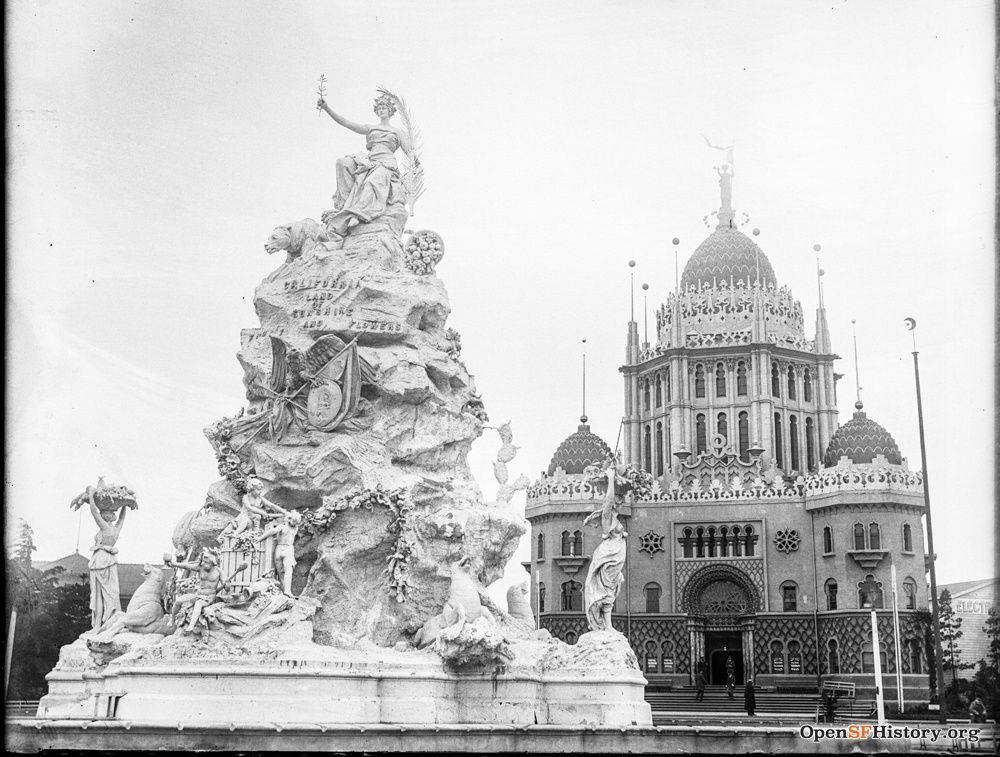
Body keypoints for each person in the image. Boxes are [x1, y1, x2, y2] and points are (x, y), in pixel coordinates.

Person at [316, 92, 413, 244]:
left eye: (384, 107)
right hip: (368, 161)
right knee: (342, 162)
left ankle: (357, 214)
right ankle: (344, 206)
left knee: (371, 182)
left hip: (386, 163)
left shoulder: (398, 132)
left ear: (390, 110)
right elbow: (346, 123)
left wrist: (416, 164)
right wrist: (327, 108)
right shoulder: (371, 128)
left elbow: (410, 153)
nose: (381, 110)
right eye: (379, 108)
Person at [582, 457, 629, 631]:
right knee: (605, 589)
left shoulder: (615, 518)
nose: (621, 501)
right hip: (608, 556)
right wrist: (610, 479)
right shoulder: (607, 517)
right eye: (619, 498)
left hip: (616, 556)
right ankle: (605, 625)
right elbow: (608, 501)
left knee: (610, 588)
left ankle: (608, 625)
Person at [84, 487, 128, 629]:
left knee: (97, 596)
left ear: (104, 516)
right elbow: (122, 518)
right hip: (110, 561)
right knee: (110, 594)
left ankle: (97, 626)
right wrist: (125, 505)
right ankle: (109, 622)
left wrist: (91, 496)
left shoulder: (105, 528)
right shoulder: (115, 530)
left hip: (100, 561)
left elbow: (93, 511)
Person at [164, 550, 227, 633]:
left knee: (199, 604)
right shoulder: (200, 567)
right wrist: (173, 564)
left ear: (213, 561)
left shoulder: (219, 572)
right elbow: (186, 566)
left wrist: (227, 585)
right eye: (204, 561)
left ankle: (191, 625)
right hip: (198, 594)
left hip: (209, 597)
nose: (204, 563)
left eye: (207, 561)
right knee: (179, 601)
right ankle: (172, 619)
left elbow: (227, 587)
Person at [218, 477, 286, 539]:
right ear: (252, 489)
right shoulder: (246, 497)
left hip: (253, 520)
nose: (260, 492)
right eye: (258, 490)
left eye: (261, 490)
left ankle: (255, 534)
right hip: (243, 517)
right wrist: (262, 512)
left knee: (257, 517)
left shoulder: (260, 498)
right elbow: (249, 508)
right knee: (227, 531)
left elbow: (271, 505)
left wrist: (284, 512)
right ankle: (232, 536)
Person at [258, 511, 302, 597]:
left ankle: (284, 592)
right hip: (288, 549)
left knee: (281, 572)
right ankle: (287, 591)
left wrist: (260, 538)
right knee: (288, 571)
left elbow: (272, 531)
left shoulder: (282, 527)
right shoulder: (295, 529)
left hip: (278, 549)